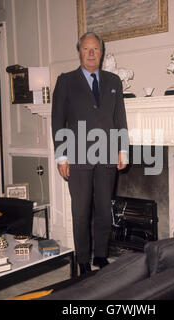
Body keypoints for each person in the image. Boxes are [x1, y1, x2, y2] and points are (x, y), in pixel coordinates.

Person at [51, 32, 128, 275]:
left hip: (107, 154)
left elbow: (120, 118)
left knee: (105, 209)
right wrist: (61, 156)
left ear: (102, 52)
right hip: (77, 156)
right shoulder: (65, 81)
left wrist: (123, 148)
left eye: (96, 49)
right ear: (79, 52)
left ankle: (102, 256)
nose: (92, 53)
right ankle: (83, 258)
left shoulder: (114, 81)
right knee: (81, 210)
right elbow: (57, 121)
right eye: (87, 49)